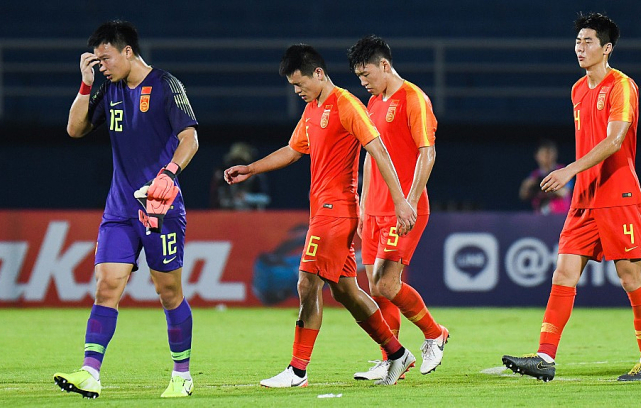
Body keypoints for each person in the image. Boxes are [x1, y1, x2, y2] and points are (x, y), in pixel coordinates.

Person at [225, 44, 417, 387]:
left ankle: (298, 370)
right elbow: (292, 150)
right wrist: (251, 169)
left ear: (318, 73)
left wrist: (401, 201)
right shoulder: (313, 110)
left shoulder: (347, 105)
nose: (297, 91)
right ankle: (398, 354)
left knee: (306, 281)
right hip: (322, 212)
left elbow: (378, 149)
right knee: (346, 291)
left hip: (337, 211)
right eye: (293, 87)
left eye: (299, 84)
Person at [502, 12, 641, 382]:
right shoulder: (576, 89)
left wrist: (569, 169)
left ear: (607, 49)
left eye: (588, 42)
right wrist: (577, 179)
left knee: (629, 276)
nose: (580, 48)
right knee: (564, 271)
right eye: (578, 41)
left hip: (618, 194)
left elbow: (615, 140)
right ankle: (544, 356)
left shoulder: (622, 86)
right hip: (585, 199)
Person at [54, 20, 199, 398]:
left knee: (168, 291)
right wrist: (86, 84)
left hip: (160, 208)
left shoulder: (167, 85)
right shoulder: (109, 89)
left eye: (105, 59)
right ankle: (90, 372)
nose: (102, 65)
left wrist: (169, 173)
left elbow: (190, 138)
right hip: (120, 207)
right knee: (107, 285)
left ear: (128, 52)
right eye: (97, 60)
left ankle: (182, 374)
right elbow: (74, 129)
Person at [346, 35, 449, 381]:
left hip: (402, 208)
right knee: (376, 287)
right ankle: (393, 360)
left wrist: (411, 201)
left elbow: (427, 153)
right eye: (359, 77)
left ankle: (435, 333)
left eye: (366, 74)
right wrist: (360, 204)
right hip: (373, 209)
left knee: (386, 284)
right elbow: (369, 157)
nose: (363, 82)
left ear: (385, 65)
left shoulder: (414, 99)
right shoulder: (373, 103)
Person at [209, 142, 271, 209]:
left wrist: (247, 197)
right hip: (226, 213)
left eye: (241, 161)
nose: (237, 165)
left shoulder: (256, 175)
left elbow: (265, 198)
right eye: (235, 161)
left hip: (249, 214)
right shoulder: (221, 174)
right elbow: (215, 198)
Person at [519, 139, 572, 214]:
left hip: (560, 216)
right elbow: (523, 195)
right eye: (543, 154)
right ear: (537, 156)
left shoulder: (562, 171)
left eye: (549, 154)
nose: (547, 157)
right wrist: (528, 186)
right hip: (540, 216)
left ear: (555, 154)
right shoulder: (534, 175)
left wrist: (546, 187)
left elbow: (565, 193)